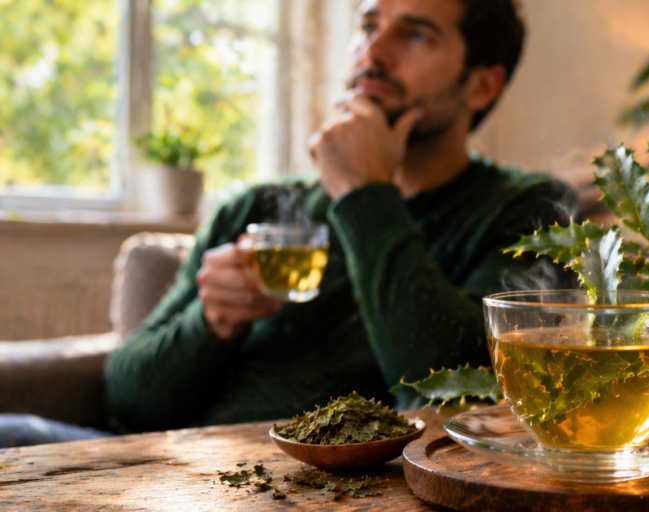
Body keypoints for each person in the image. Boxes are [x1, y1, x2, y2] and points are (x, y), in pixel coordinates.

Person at [0, 0, 578, 446]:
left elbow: (454, 397)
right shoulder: (257, 206)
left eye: (416, 33)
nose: (373, 53)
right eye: (368, 25)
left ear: (482, 83)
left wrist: (363, 191)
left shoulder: (530, 213)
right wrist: (210, 323)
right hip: (156, 469)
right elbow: (127, 398)